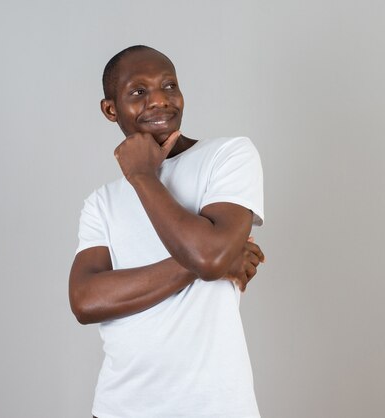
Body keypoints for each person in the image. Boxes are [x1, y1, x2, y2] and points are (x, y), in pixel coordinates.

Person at [69, 45, 265, 418]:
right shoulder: (102, 202)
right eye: (138, 91)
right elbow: (85, 300)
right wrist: (209, 259)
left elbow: (210, 256)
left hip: (215, 407)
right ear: (111, 109)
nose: (159, 100)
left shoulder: (228, 156)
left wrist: (142, 175)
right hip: (119, 408)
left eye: (169, 86)